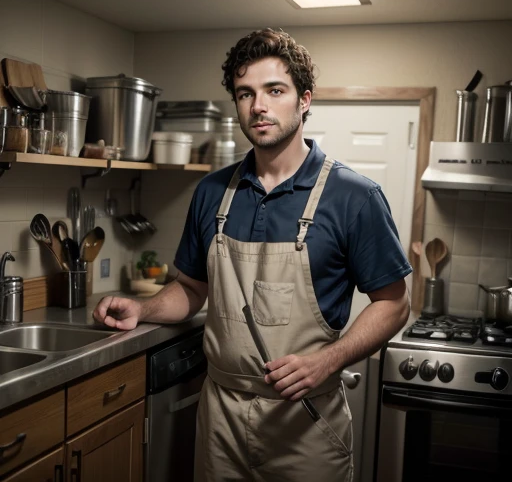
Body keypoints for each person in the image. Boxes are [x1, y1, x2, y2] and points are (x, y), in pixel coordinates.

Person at [93, 27, 411, 481]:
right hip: (220, 417)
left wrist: (329, 359)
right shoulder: (211, 193)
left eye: (274, 90)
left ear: (304, 99)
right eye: (245, 94)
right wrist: (142, 308)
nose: (258, 106)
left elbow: (394, 303)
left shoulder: (353, 197)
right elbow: (191, 289)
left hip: (304, 421)